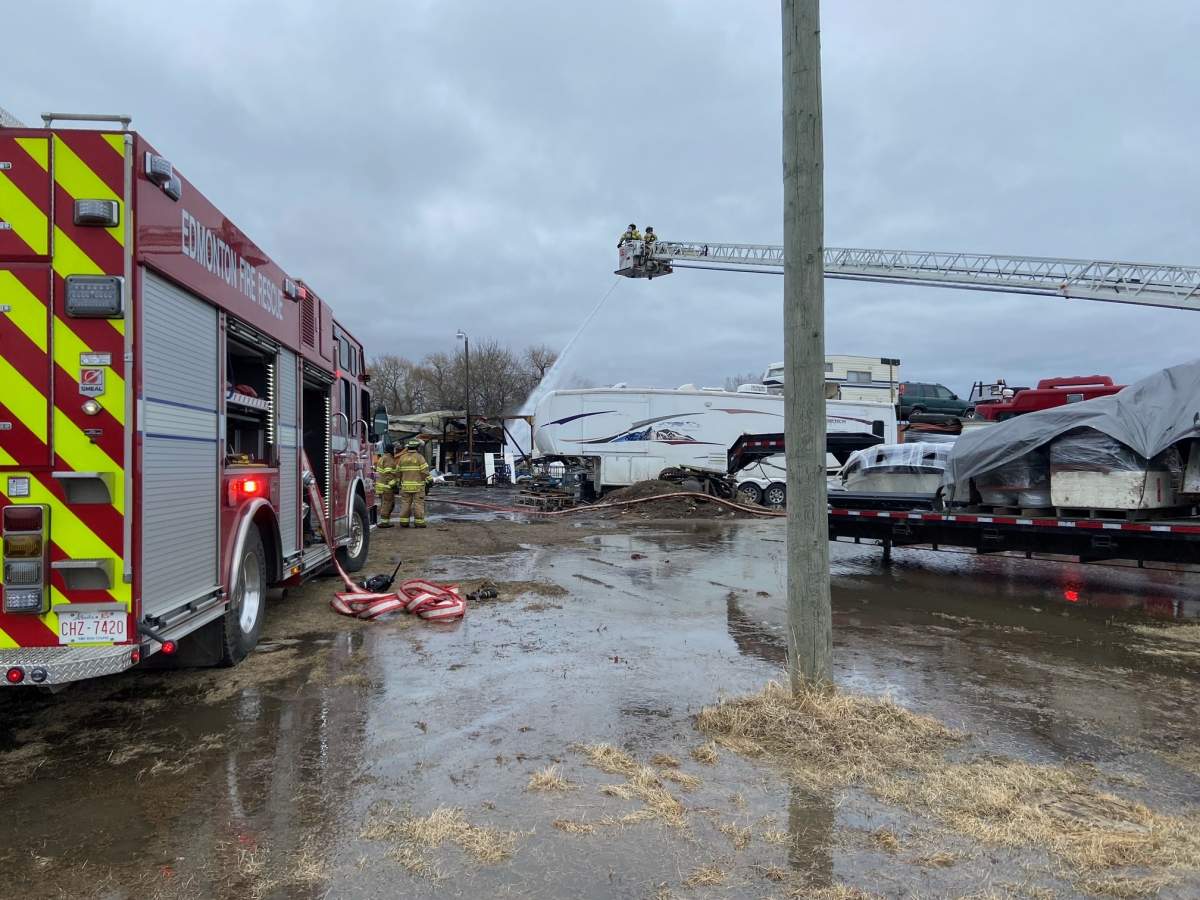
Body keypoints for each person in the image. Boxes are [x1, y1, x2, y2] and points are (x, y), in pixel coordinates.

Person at [396, 438, 431, 528]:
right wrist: (426, 481)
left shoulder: (402, 458)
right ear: (417, 447)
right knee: (418, 503)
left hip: (405, 487)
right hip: (418, 486)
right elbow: (425, 472)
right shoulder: (420, 457)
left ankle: (404, 522)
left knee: (405, 504)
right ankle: (419, 522)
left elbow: (398, 472)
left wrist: (399, 482)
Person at [374, 435, 399, 528]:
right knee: (388, 504)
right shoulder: (388, 459)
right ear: (391, 450)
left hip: (382, 486)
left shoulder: (382, 458)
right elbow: (388, 473)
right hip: (387, 486)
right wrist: (394, 485)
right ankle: (384, 522)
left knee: (387, 503)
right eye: (394, 449)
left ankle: (386, 521)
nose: (395, 451)